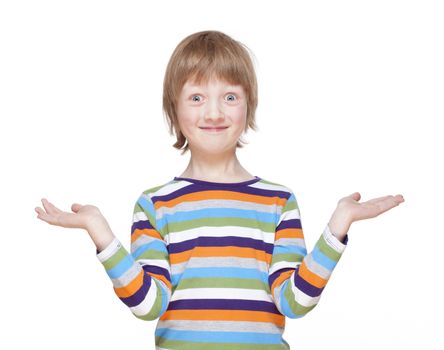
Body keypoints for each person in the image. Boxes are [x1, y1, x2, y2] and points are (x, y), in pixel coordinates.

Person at [35, 30, 405, 349]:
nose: (213, 113)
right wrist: (99, 230)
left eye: (229, 97)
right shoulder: (155, 204)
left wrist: (338, 226)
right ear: (174, 111)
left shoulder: (278, 202)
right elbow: (148, 305)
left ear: (249, 106)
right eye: (196, 97)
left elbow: (294, 302)